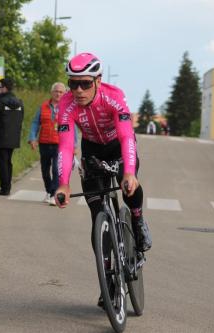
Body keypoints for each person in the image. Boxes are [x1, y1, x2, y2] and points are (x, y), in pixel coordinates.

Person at [55, 52, 152, 253]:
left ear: (98, 81)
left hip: (118, 146)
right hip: (92, 150)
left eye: (85, 84)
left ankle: (137, 218)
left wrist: (129, 173)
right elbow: (65, 147)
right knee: (96, 212)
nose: (79, 90)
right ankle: (107, 268)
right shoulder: (66, 104)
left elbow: (126, 136)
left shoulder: (114, 97)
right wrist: (63, 184)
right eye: (73, 84)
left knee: (128, 186)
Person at [28, 82, 78, 206]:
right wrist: (32, 138)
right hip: (44, 143)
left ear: (64, 93)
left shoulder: (67, 107)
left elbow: (73, 127)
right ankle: (49, 191)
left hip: (60, 144)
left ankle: (53, 193)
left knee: (56, 169)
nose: (58, 94)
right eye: (56, 91)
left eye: (61, 92)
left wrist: (74, 145)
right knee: (45, 170)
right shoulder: (43, 106)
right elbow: (35, 123)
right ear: (52, 92)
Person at [0, 78, 24, 196]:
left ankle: (4, 189)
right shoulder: (20, 103)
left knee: (2, 162)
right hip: (13, 138)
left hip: (1, 137)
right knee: (8, 162)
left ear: (4, 88)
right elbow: (20, 120)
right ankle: (7, 186)